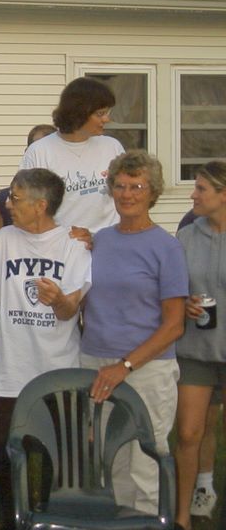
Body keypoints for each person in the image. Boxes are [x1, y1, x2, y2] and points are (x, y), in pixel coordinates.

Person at [81, 150, 187, 514]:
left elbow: (174, 324)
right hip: (95, 361)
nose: (127, 194)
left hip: (146, 368)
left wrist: (124, 366)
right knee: (111, 463)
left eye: (136, 186)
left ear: (152, 192)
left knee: (145, 463)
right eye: (120, 186)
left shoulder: (167, 248)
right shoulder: (99, 241)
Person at [0, 167, 92, 529]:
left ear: (40, 205)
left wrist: (58, 299)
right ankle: (10, 518)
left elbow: (69, 311)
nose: (9, 204)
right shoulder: (2, 240)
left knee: (51, 451)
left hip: (55, 367)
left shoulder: (74, 245)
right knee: (2, 448)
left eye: (15, 198)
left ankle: (47, 517)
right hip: (10, 364)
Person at [173, 160, 226, 530]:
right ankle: (182, 516)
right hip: (195, 349)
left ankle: (207, 486)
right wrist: (184, 301)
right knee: (190, 431)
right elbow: (173, 287)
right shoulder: (187, 235)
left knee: (213, 426)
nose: (193, 194)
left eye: (202, 189)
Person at [20, 77, 125, 232]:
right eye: (100, 114)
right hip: (61, 246)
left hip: (107, 243)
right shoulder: (39, 152)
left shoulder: (112, 147)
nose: (107, 119)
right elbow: (28, 207)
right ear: (79, 113)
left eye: (107, 113)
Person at [0, 124, 57, 227]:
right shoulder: (4, 199)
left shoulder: (72, 194)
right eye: (38, 149)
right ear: (27, 153)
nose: (43, 156)